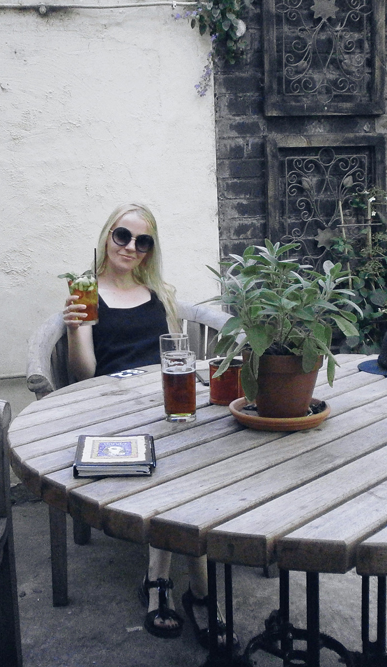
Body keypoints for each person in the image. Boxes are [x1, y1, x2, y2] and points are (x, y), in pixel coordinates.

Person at [62, 203, 236, 650]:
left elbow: (176, 353)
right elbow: (85, 374)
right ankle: (191, 588)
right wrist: (77, 329)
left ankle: (161, 582)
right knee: (179, 464)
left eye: (144, 241)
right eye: (123, 236)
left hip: (167, 402)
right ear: (107, 236)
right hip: (116, 411)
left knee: (207, 446)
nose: (131, 248)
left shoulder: (156, 292)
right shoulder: (86, 293)